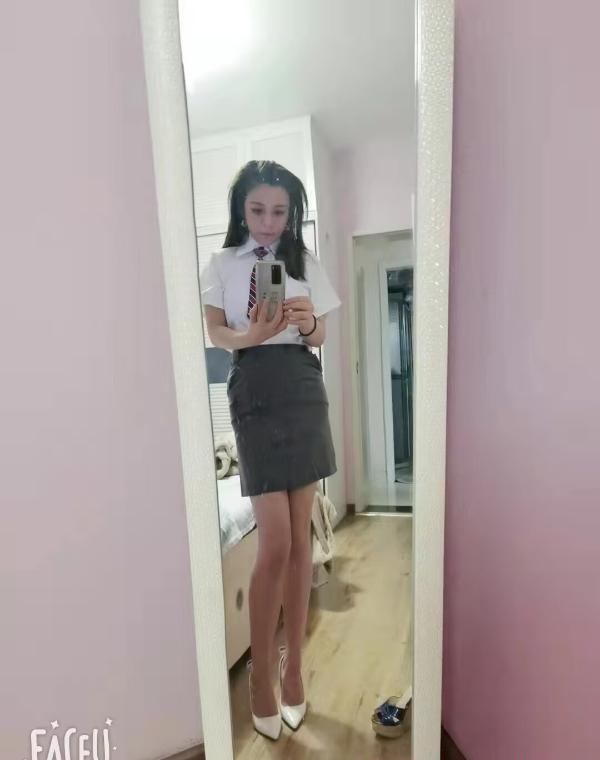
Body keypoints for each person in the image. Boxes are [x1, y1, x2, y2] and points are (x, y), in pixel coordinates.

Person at [200, 160, 340, 740]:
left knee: (301, 537)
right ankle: (260, 676)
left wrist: (306, 324)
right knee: (276, 540)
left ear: (292, 213)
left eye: (279, 212)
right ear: (241, 208)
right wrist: (250, 335)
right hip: (253, 386)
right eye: (257, 209)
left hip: (302, 387)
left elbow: (321, 335)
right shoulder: (221, 264)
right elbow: (215, 332)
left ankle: (295, 672)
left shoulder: (305, 261)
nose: (267, 221)